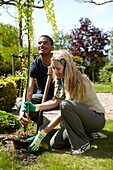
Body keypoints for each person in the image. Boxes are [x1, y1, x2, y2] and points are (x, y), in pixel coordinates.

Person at [22, 49, 106, 155]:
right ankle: (90, 135)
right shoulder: (61, 80)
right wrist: (36, 107)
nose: (55, 71)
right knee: (56, 143)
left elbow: (64, 109)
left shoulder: (79, 81)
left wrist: (42, 134)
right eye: (53, 68)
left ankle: (82, 145)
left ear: (67, 68)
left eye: (58, 68)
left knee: (65, 105)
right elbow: (55, 102)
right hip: (80, 122)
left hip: (95, 119)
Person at [19, 35, 54, 130]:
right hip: (42, 96)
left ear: (52, 47)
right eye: (39, 43)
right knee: (20, 104)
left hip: (58, 97)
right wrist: (23, 111)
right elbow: (29, 89)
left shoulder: (58, 61)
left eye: (45, 43)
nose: (41, 45)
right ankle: (43, 121)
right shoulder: (35, 64)